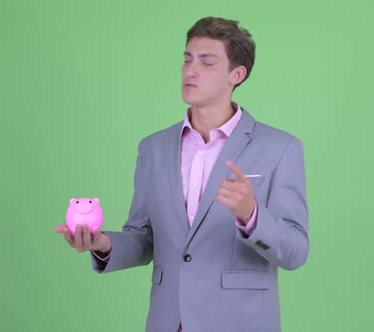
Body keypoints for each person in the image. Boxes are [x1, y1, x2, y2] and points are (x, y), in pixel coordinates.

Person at [54, 16, 309, 332]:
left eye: (207, 62)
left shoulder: (279, 148)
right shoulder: (153, 148)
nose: (190, 70)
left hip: (241, 322)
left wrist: (252, 214)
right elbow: (144, 238)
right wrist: (103, 244)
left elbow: (296, 251)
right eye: (187, 59)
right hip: (168, 322)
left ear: (237, 74)